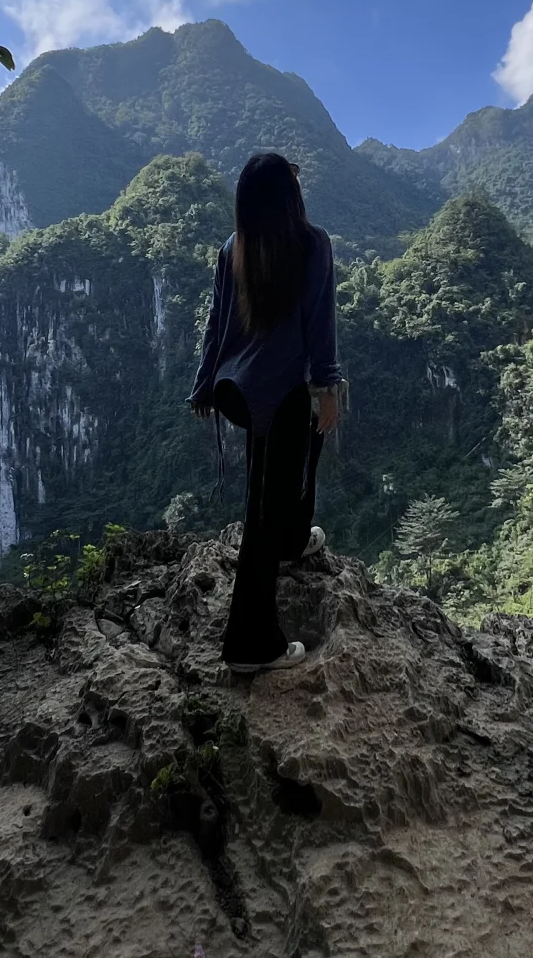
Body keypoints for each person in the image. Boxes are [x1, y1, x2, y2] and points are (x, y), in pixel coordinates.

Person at [189, 152, 342, 674]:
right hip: (277, 392)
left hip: (235, 388)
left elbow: (216, 322)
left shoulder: (235, 245)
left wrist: (203, 385)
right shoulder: (311, 243)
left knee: (283, 464)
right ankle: (251, 645)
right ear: (287, 196)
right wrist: (327, 386)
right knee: (263, 510)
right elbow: (321, 323)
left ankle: (293, 541)